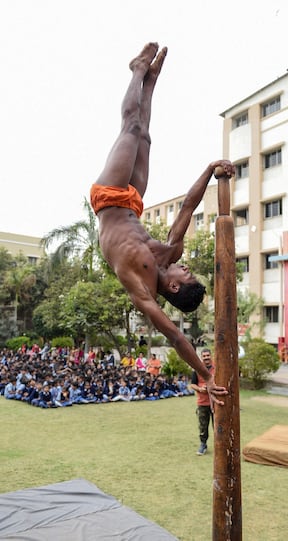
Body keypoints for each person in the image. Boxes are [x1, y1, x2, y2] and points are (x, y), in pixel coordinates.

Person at [90, 42, 231, 407]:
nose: (186, 267)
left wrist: (207, 374)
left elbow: (175, 338)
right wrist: (210, 170)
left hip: (109, 196)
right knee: (145, 135)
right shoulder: (170, 251)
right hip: (132, 201)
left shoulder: (143, 292)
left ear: (171, 285)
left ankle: (137, 69)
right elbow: (187, 206)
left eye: (186, 275)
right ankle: (149, 81)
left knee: (131, 127)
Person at [190, 348, 215, 455]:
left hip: (216, 402)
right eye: (204, 356)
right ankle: (203, 445)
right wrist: (200, 389)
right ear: (201, 357)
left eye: (207, 355)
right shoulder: (197, 368)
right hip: (202, 402)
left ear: (211, 356)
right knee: (203, 426)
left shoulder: (217, 367)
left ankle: (220, 447)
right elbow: (192, 384)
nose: (206, 358)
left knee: (218, 426)